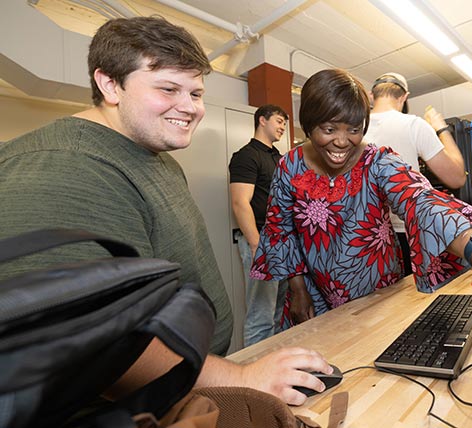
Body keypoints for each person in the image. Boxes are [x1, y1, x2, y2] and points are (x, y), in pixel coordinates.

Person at [0, 16, 331, 405]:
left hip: (189, 383)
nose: (190, 107)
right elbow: (91, 342)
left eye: (196, 93)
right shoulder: (61, 167)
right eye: (169, 89)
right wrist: (240, 377)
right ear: (110, 84)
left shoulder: (157, 155)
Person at [252, 68, 472, 328]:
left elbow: (420, 200)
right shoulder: (288, 166)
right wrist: (296, 290)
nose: (342, 142)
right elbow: (283, 231)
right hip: (314, 293)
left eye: (353, 129)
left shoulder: (377, 161)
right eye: (328, 129)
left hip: (378, 290)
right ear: (308, 125)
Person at [365, 72, 466, 275]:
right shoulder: (413, 124)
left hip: (365, 237)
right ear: (404, 97)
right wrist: (440, 128)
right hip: (404, 234)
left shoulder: (354, 128)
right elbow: (456, 177)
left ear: (370, 96)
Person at [229, 104, 290, 346]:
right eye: (279, 120)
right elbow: (239, 203)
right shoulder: (246, 155)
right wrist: (257, 245)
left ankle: (273, 367)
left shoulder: (279, 158)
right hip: (261, 239)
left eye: (285, 123)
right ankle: (252, 372)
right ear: (262, 120)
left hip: (281, 240)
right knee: (261, 315)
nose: (283, 127)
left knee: (277, 313)